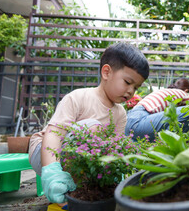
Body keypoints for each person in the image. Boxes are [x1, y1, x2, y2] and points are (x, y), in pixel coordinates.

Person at [28, 43, 149, 204]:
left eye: (136, 87)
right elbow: (54, 134)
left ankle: (74, 193)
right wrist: (52, 172)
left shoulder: (120, 113)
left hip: (79, 164)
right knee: (93, 129)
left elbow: (113, 151)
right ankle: (59, 183)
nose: (131, 91)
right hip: (46, 152)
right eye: (127, 82)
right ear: (106, 72)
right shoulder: (79, 97)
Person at [125, 78, 189, 141]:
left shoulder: (165, 91)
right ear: (187, 90)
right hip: (140, 120)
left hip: (128, 124)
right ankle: (182, 142)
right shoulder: (183, 93)